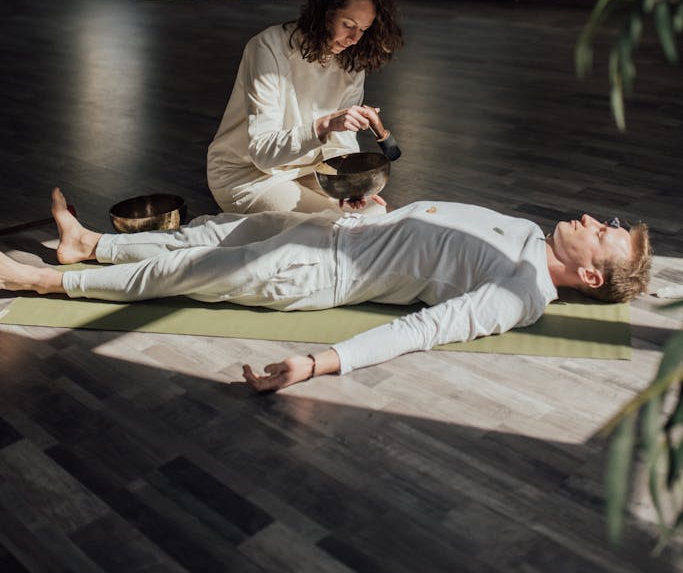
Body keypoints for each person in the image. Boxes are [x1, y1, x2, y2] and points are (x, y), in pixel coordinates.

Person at [0, 190, 651, 394]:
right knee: (211, 233)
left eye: (603, 234)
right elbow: (430, 230)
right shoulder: (529, 233)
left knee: (185, 272)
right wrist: (383, 211)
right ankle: (91, 244)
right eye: (605, 221)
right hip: (342, 229)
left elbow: (424, 328)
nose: (592, 220)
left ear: (592, 277)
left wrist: (317, 363)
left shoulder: (521, 291)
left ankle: (45, 281)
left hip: (319, 272)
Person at [206, 0, 403, 215]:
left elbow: (340, 143)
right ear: (325, 11)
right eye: (348, 25)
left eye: (363, 30)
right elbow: (262, 154)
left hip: (308, 171)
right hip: (247, 175)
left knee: (372, 214)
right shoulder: (267, 47)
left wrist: (348, 183)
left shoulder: (352, 62)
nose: (355, 39)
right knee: (331, 226)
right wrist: (325, 125)